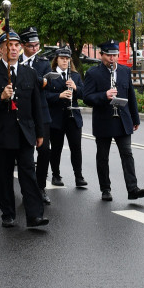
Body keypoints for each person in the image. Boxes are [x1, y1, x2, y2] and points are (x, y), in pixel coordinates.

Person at [0, 30, 48, 228]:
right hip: (1, 133)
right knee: (4, 176)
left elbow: (36, 105)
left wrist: (40, 132)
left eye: (17, 45)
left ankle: (35, 215)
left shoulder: (29, 72)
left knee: (28, 174)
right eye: (10, 46)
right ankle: (8, 213)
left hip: (24, 132)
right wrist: (0, 97)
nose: (15, 48)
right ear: (1, 50)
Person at [82, 41, 144, 202]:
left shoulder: (124, 71)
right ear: (101, 55)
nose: (112, 58)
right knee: (103, 157)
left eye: (115, 55)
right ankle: (105, 189)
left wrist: (135, 117)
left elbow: (131, 95)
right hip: (104, 120)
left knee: (127, 154)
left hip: (123, 119)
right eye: (109, 55)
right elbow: (87, 97)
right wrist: (104, 95)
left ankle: (133, 189)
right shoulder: (93, 73)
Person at [19, 27, 53, 204]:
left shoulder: (43, 62)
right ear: (23, 45)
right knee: (25, 155)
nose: (34, 49)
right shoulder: (15, 61)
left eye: (37, 45)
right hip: (22, 113)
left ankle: (40, 187)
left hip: (41, 112)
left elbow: (43, 82)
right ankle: (27, 191)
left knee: (44, 151)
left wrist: (27, 73)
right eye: (31, 46)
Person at [45, 48, 87, 188]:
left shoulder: (74, 76)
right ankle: (56, 175)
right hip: (56, 117)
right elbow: (44, 96)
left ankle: (79, 176)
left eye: (67, 58)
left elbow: (83, 94)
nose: (65, 61)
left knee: (76, 147)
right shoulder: (50, 76)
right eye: (62, 58)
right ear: (56, 59)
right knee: (56, 147)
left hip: (72, 117)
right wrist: (59, 96)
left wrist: (75, 88)